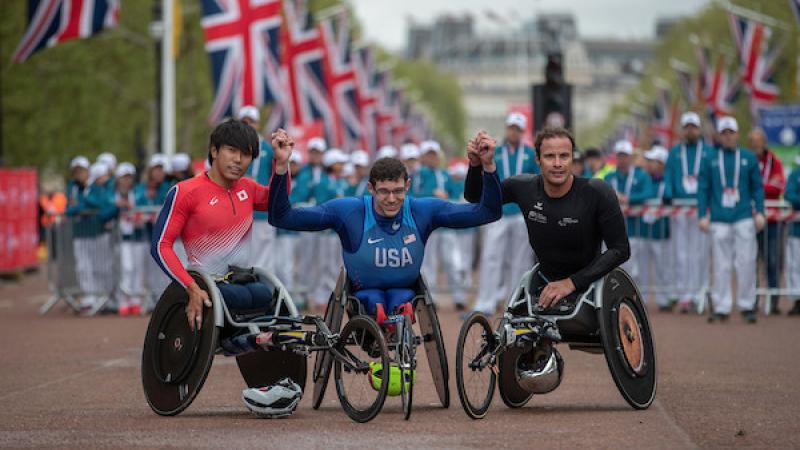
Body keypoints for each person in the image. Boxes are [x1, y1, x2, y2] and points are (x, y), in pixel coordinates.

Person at [150, 119, 300, 417]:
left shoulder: (246, 188)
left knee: (268, 294)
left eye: (246, 154)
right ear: (214, 151)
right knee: (241, 298)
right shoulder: (186, 191)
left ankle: (270, 362)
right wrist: (190, 288)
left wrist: (281, 166)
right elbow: (160, 246)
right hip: (209, 287)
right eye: (231, 151)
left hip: (244, 284)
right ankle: (250, 340)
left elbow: (278, 206)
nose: (239, 160)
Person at [268, 128, 502, 321]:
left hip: (405, 292)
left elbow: (487, 213)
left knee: (398, 300)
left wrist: (486, 166)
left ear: (407, 186)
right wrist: (280, 168)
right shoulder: (349, 211)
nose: (392, 200)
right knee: (376, 302)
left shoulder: (423, 210)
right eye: (384, 192)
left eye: (398, 191)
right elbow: (283, 217)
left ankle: (395, 319)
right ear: (370, 188)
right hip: (363, 295)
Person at [463, 127, 630, 313]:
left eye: (564, 156)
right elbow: (476, 197)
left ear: (572, 159)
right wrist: (477, 164)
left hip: (589, 286)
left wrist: (570, 283)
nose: (557, 163)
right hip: (544, 284)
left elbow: (620, 250)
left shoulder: (597, 191)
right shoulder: (524, 187)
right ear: (538, 159)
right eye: (550, 156)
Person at [470, 113, 539, 316]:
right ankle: (485, 302)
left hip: (520, 213)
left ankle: (515, 302)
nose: (513, 132)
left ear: (522, 131)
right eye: (511, 128)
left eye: (517, 129)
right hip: (497, 212)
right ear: (507, 129)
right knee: (491, 256)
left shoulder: (530, 154)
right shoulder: (495, 152)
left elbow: (537, 181)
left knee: (520, 260)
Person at [698, 116, 765, 324]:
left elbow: (757, 187)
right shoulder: (710, 159)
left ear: (736, 134)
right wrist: (702, 215)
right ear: (719, 135)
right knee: (721, 265)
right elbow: (703, 189)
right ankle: (722, 306)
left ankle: (746, 304)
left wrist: (760, 211)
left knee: (746, 262)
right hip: (719, 218)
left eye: (731, 132)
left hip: (743, 216)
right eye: (724, 133)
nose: (727, 136)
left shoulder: (748, 157)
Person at [664, 112, 714, 313]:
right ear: (683, 130)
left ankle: (700, 292)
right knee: (682, 254)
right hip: (680, 209)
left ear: (699, 129)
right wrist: (668, 194)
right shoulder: (675, 152)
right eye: (687, 126)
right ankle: (685, 295)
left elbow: (713, 177)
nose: (690, 130)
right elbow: (668, 175)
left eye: (694, 126)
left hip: (701, 209)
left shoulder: (709, 152)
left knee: (700, 253)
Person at [604, 140, 653, 287]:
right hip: (614, 231)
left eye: (625, 156)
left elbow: (648, 194)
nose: (622, 159)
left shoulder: (641, 175)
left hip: (636, 230)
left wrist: (629, 199)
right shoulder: (609, 177)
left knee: (637, 268)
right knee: (616, 268)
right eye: (620, 155)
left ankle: (639, 299)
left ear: (630, 157)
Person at [748, 127, 786, 314]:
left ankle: (773, 300)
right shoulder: (747, 160)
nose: (756, 144)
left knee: (772, 261)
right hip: (751, 219)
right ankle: (753, 300)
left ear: (763, 141)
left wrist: (757, 188)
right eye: (752, 141)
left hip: (771, 221)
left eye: (758, 141)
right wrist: (761, 187)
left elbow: (778, 187)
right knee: (752, 261)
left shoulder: (774, 161)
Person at [239, 106, 277, 277]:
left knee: (264, 256)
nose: (248, 125)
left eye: (251, 122)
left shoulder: (268, 149)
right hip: (239, 212)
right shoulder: (234, 148)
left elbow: (275, 177)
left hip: (262, 212)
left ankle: (264, 289)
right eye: (244, 122)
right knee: (241, 255)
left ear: (258, 124)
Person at [638, 146, 672, 310]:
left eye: (652, 161)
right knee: (642, 267)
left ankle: (664, 300)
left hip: (661, 231)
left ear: (661, 163)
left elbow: (670, 197)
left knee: (662, 267)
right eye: (649, 161)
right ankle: (641, 299)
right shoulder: (644, 178)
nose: (649, 164)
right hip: (644, 230)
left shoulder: (668, 180)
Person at [112, 162, 146, 316]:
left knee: (137, 269)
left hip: (137, 236)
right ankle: (123, 300)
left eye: (129, 177)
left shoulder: (138, 192)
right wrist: (115, 208)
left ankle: (135, 301)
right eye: (123, 177)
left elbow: (145, 208)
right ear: (118, 178)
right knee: (126, 268)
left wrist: (139, 215)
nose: (126, 180)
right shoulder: (112, 194)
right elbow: (105, 211)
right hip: (121, 238)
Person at [784, 155, 800, 316]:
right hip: (797, 230)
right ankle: (797, 299)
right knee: (795, 265)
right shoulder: (795, 174)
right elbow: (789, 194)